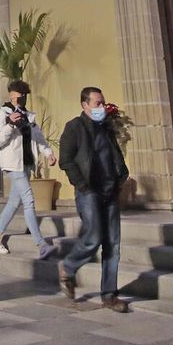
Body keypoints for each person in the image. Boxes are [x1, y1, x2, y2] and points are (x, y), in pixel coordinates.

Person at [57, 87, 130, 313]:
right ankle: (68, 267)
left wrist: (121, 176)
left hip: (110, 191)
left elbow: (114, 154)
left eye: (103, 102)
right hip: (89, 191)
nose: (102, 107)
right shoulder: (74, 127)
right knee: (93, 237)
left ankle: (109, 295)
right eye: (97, 103)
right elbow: (66, 160)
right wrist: (82, 184)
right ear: (85, 105)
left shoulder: (106, 127)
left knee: (113, 245)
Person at [0, 80, 57, 256]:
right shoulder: (3, 114)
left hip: (26, 163)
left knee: (14, 202)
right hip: (12, 164)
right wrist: (10, 125)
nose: (18, 101)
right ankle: (41, 244)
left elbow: (38, 138)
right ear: (10, 96)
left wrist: (48, 153)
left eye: (21, 97)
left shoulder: (29, 116)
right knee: (28, 200)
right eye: (15, 97)